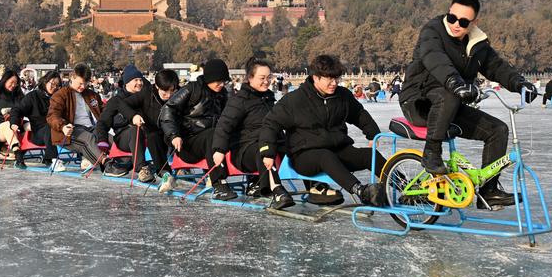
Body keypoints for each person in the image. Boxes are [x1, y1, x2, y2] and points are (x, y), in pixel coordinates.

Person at [399, 0, 538, 209]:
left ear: (474, 23)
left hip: (451, 104)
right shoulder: (432, 31)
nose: (455, 25)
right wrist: (455, 82)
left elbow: (496, 67)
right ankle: (431, 152)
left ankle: (489, 191)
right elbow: (436, 59)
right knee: (449, 94)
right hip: (418, 102)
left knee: (497, 130)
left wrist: (520, 84)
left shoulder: (477, 43)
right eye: (452, 17)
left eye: (463, 22)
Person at [258, 54, 385, 206]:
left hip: (338, 149)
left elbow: (359, 114)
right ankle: (361, 191)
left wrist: (373, 134)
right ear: (316, 77)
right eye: (329, 79)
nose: (334, 83)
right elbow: (271, 123)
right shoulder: (294, 100)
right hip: (305, 155)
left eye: (336, 78)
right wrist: (267, 152)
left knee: (369, 155)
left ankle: (406, 187)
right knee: (325, 156)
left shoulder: (342, 96)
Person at [211, 57, 294, 210]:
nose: (267, 81)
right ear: (250, 78)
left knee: (300, 145)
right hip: (246, 150)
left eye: (269, 77)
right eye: (262, 78)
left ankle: (316, 187)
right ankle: (277, 190)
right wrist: (219, 149)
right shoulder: (239, 100)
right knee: (262, 150)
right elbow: (224, 125)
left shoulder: (269, 98)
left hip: (270, 143)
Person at [159, 58, 235, 201]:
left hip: (212, 144)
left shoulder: (223, 94)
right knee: (212, 135)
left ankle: (256, 183)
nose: (222, 84)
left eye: (224, 81)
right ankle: (219, 184)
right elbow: (168, 110)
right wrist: (173, 135)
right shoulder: (191, 89)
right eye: (218, 81)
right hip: (188, 144)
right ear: (209, 78)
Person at [118, 69, 181, 193]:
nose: (168, 95)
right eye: (165, 92)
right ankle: (165, 173)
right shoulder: (146, 93)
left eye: (172, 91)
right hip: (155, 132)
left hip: (175, 131)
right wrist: (133, 116)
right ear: (157, 86)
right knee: (153, 137)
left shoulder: (181, 93)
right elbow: (122, 105)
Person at [95, 65, 153, 180]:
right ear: (127, 82)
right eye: (135, 80)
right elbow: (102, 122)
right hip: (124, 137)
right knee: (134, 130)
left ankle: (175, 167)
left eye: (141, 80)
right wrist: (102, 140)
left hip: (146, 134)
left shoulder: (145, 97)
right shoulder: (116, 100)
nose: (139, 83)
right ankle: (142, 169)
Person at [46, 63, 106, 172]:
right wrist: (63, 126)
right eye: (80, 83)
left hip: (92, 128)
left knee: (109, 137)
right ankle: (106, 163)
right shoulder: (60, 95)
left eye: (85, 84)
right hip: (70, 131)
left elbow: (104, 111)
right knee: (88, 138)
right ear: (72, 77)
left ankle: (123, 162)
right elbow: (52, 115)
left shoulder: (92, 95)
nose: (83, 87)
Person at [9, 70, 62, 170]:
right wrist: (14, 122)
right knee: (48, 127)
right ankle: (54, 160)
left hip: (57, 130)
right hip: (38, 133)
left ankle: (85, 157)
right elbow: (17, 109)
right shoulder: (33, 96)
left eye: (57, 85)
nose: (54, 87)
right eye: (52, 84)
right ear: (45, 81)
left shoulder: (58, 98)